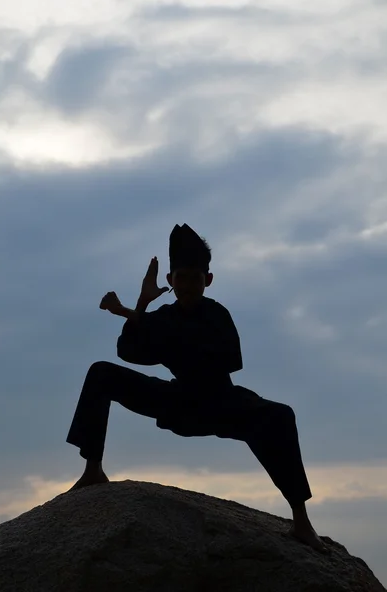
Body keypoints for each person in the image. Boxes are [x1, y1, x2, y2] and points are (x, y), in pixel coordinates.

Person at [66, 224, 327, 552]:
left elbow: (220, 359)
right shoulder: (162, 316)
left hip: (220, 401)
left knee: (279, 417)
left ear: (208, 280)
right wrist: (142, 304)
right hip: (179, 401)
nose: (188, 286)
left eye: (195, 278)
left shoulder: (217, 314)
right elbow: (130, 352)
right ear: (171, 281)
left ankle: (301, 520)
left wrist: (136, 318)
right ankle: (93, 469)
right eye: (181, 278)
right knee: (102, 373)